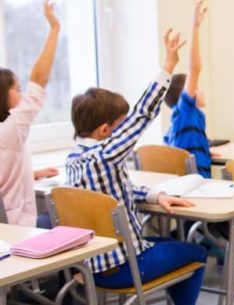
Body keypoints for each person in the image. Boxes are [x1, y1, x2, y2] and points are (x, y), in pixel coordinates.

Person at [66, 30, 206, 305]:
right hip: (125, 266)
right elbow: (143, 114)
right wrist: (167, 65)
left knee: (165, 242)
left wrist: (155, 195)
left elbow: (116, 192)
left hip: (87, 267)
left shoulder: (74, 160)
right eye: (121, 126)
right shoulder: (104, 155)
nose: (125, 133)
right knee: (197, 252)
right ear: (106, 130)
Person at [0, 0, 60, 227]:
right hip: (16, 228)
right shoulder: (10, 130)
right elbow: (39, 79)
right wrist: (54, 28)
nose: (23, 94)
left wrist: (30, 173)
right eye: (17, 89)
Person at [164, 1, 212, 178]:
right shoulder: (186, 114)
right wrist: (195, 26)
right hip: (199, 188)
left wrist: (206, 149)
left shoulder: (178, 124)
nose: (202, 91)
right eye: (197, 88)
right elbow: (195, 68)